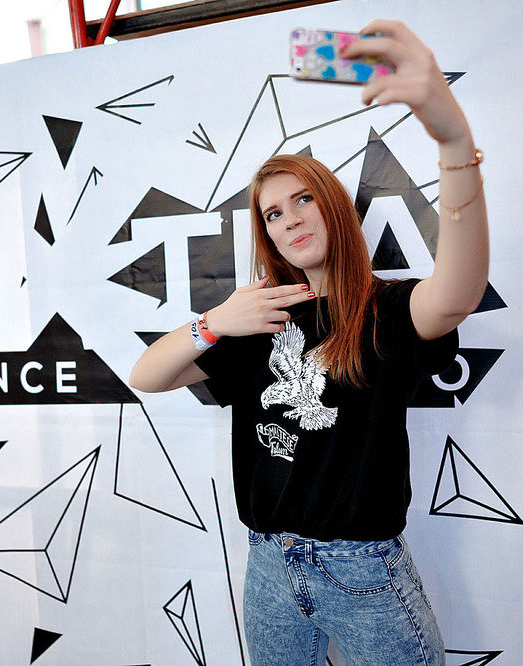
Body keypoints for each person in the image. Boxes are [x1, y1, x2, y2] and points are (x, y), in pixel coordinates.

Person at [129, 19, 488, 666]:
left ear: (333, 208)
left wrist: (454, 141)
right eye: (273, 213)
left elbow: (457, 294)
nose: (290, 219)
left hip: (362, 571)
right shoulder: (258, 316)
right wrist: (216, 321)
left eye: (302, 200)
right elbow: (147, 375)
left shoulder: (385, 310)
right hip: (269, 563)